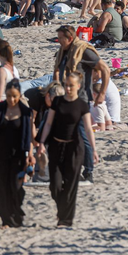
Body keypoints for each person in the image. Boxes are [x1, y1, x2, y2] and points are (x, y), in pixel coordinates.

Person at [38, 70, 98, 227]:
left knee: (71, 186)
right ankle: (61, 211)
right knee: (55, 186)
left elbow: (88, 128)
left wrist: (94, 150)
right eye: (66, 85)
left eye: (71, 86)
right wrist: (41, 143)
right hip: (56, 146)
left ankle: (65, 219)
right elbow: (48, 123)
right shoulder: (57, 101)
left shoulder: (82, 105)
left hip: (74, 148)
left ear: (78, 86)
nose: (69, 88)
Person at [52, 25, 109, 184]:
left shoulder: (83, 50)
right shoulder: (64, 51)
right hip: (65, 97)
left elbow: (105, 69)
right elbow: (57, 69)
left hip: (80, 98)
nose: (59, 41)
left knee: (82, 134)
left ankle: (89, 170)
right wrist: (56, 85)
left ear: (69, 38)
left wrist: (102, 93)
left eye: (61, 38)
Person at [0, 79, 35, 228]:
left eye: (14, 96)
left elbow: (30, 137)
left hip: (19, 154)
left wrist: (30, 155)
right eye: (9, 96)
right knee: (2, 187)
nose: (11, 99)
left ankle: (17, 213)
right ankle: (6, 220)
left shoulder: (26, 112)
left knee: (16, 187)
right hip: (0, 154)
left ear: (19, 95)